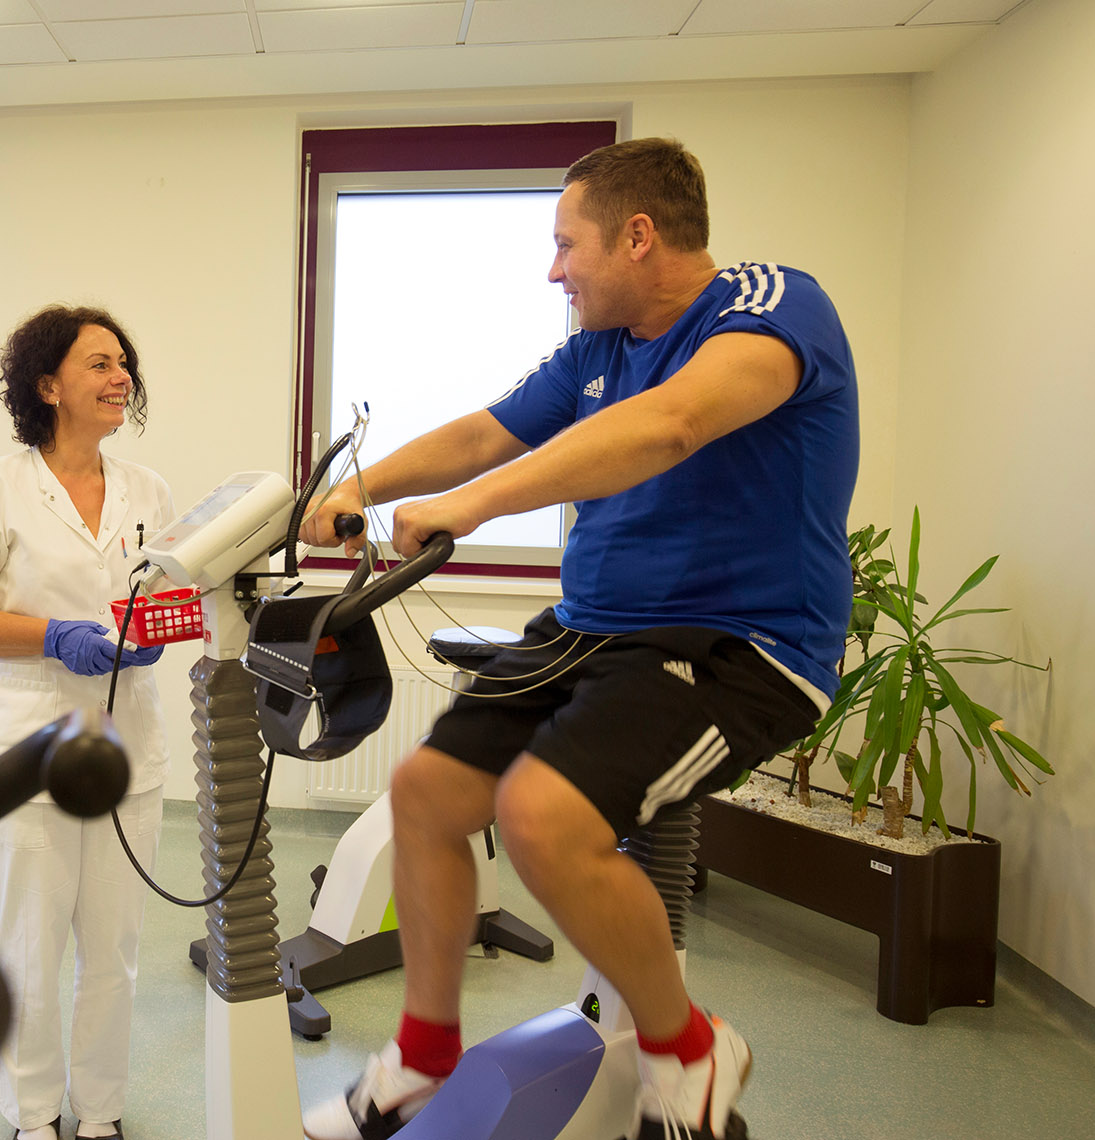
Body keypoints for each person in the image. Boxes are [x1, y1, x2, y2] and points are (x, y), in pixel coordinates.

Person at [298, 137, 859, 1140]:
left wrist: (470, 507)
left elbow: (673, 424)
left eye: (567, 245)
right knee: (424, 796)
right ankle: (422, 1056)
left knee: (540, 817)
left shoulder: (771, 306)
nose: (553, 271)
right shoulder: (598, 348)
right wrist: (359, 487)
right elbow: (486, 432)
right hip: (592, 633)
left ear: (638, 236)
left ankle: (690, 1047)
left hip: (741, 647)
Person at [0, 305, 176, 1140]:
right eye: (99, 364)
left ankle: (100, 1113)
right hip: (24, 750)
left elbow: (168, 596)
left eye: (123, 363)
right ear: (47, 386)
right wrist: (52, 637)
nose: (120, 377)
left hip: (128, 745)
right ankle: (33, 1117)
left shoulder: (148, 490)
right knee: (30, 952)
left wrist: (157, 631)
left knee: (113, 953)